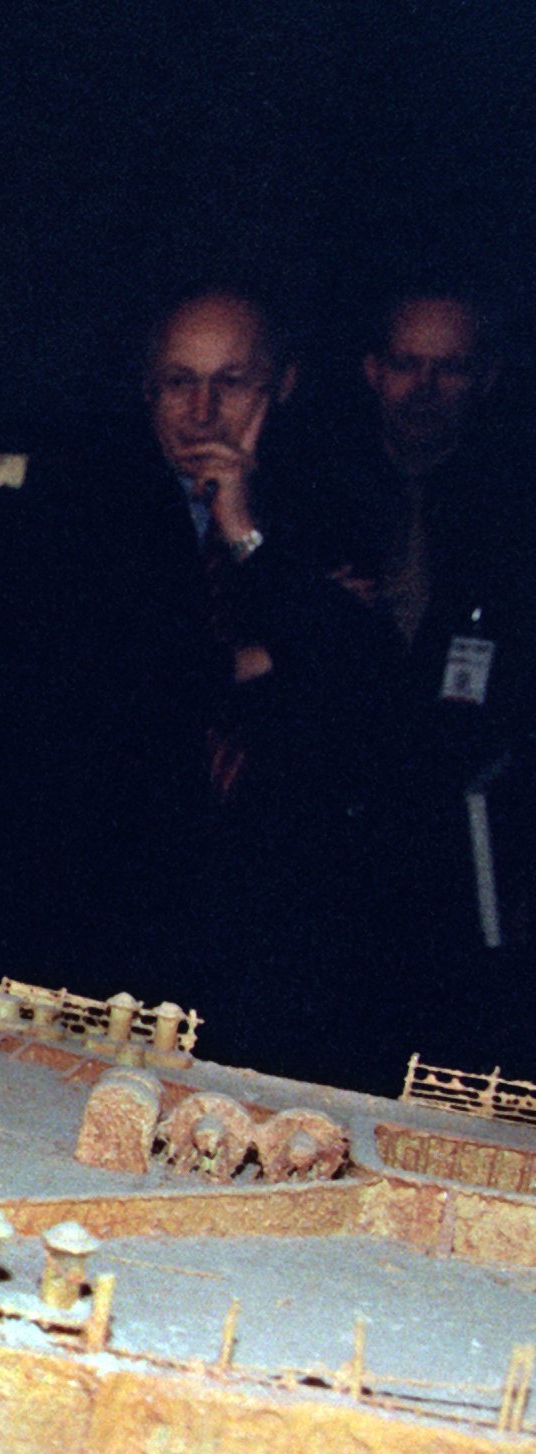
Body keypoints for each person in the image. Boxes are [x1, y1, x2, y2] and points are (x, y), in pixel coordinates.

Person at [0, 286, 394, 1081]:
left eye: (231, 383)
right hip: (110, 899)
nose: (201, 411)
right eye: (176, 382)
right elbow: (78, 684)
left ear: (283, 384)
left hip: (273, 920)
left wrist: (243, 532)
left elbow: (359, 679)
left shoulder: (339, 502)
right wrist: (254, 657)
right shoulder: (74, 511)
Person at [311, 288, 536, 1071]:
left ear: (487, 379)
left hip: (469, 847)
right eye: (407, 364)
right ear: (373, 371)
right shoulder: (311, 490)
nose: (425, 388)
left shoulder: (517, 505)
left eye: (450, 368)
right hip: (325, 842)